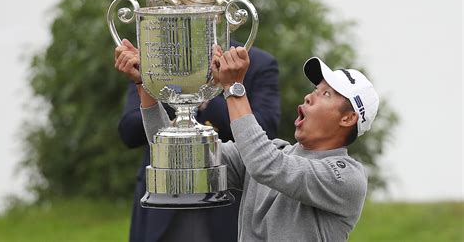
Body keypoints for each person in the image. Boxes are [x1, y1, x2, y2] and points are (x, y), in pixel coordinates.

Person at [117, 45, 380, 241]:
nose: (310, 97)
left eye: (325, 94)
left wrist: (233, 89)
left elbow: (267, 166)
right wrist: (145, 87)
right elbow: (175, 157)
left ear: (348, 118)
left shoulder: (346, 176)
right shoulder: (276, 152)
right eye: (314, 89)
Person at [116, 38, 280, 241]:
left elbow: (267, 132)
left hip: (224, 205)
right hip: (162, 206)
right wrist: (178, 92)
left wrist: (215, 96)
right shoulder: (154, 62)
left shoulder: (256, 61)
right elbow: (129, 132)